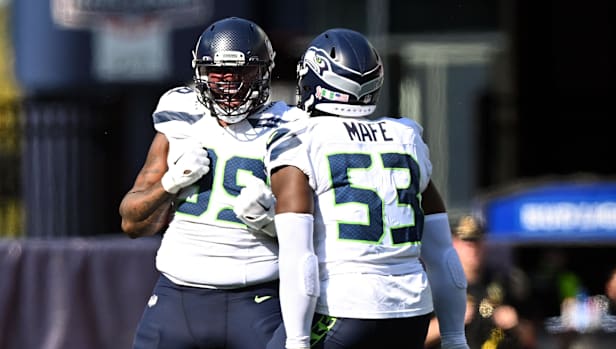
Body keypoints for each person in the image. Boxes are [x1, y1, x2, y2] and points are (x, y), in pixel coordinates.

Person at [248, 28, 469, 349]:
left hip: (345, 308)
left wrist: (296, 340)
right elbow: (442, 252)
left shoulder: (301, 137)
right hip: (411, 315)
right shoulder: (405, 137)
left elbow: (300, 258)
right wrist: (454, 338)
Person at [118, 17, 306, 349]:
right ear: (200, 73)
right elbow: (132, 222)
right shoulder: (179, 113)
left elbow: (312, 233)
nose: (230, 85)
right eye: (219, 74)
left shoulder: (289, 126)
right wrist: (170, 183)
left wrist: (268, 220)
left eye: (241, 73)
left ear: (263, 72)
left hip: (255, 297)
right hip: (176, 296)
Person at [425, 215, 536, 349]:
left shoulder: (503, 281)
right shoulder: (435, 285)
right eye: (467, 244)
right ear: (454, 244)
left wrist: (515, 325)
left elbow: (531, 337)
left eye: (477, 243)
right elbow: (414, 339)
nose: (473, 250)